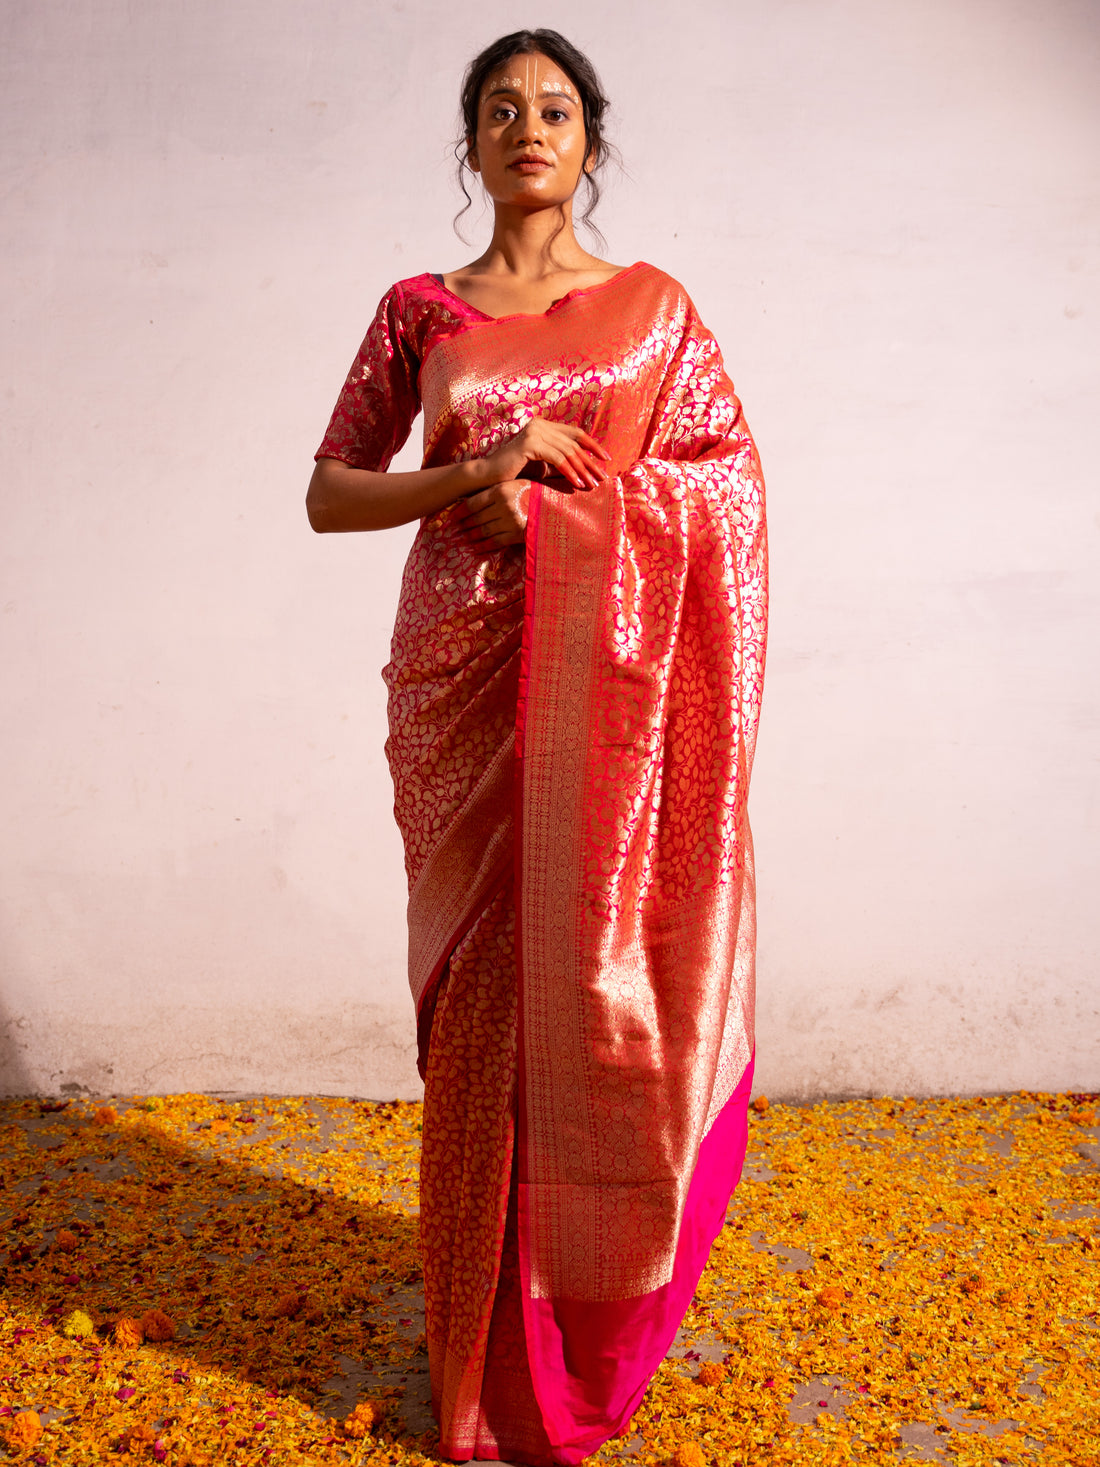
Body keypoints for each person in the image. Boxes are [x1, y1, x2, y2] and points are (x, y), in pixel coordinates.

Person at [307, 27, 767, 1466]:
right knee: (478, 1014)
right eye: (500, 109)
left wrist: (572, 520)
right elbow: (330, 493)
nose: (527, 129)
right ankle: (474, 1344)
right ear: (471, 141)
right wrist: (475, 477)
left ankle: (571, 1333)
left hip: (606, 700)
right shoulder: (419, 312)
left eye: (554, 109)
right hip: (456, 685)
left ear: (590, 138)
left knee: (589, 991)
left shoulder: (652, 312)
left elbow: (728, 491)